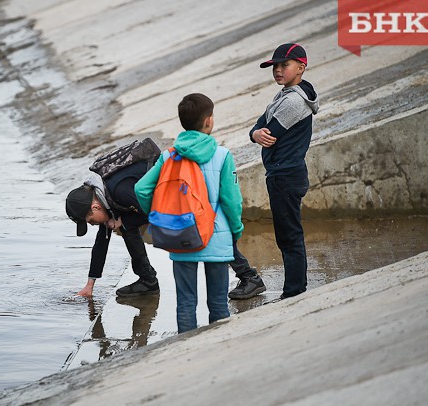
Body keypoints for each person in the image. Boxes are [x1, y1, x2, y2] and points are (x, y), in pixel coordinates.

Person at [135, 93, 244, 333]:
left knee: (185, 302)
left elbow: (141, 189)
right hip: (217, 236)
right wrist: (236, 229)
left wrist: (159, 215)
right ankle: (219, 349)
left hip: (181, 235)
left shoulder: (168, 156)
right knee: (218, 303)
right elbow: (231, 200)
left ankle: (186, 354)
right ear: (208, 121)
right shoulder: (223, 155)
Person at [250, 43, 319, 299]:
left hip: (286, 175)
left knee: (289, 236)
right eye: (275, 66)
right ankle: (295, 288)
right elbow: (258, 127)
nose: (278, 70)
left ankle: (294, 292)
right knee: (289, 234)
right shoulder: (285, 94)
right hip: (285, 173)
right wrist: (255, 133)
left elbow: (270, 132)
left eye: (284, 65)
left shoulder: (293, 101)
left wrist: (258, 132)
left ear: (301, 67)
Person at [66, 160, 159, 297]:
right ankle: (148, 280)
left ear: (95, 207)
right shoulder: (101, 195)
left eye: (90, 221)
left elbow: (156, 210)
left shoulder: (119, 191)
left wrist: (123, 220)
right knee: (123, 224)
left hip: (172, 189)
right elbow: (101, 243)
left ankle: (148, 281)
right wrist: (89, 285)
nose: (92, 224)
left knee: (126, 225)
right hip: (142, 197)